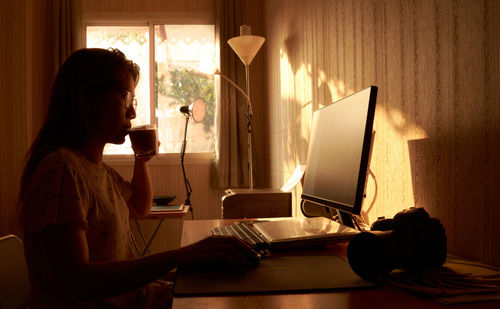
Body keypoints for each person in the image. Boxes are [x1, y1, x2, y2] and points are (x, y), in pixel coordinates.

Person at [18, 48, 260, 308]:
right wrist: (182, 256)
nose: (132, 113)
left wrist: (141, 160)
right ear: (87, 98)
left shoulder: (97, 170)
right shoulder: (62, 170)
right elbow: (75, 281)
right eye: (125, 98)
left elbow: (139, 207)